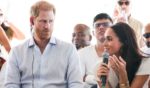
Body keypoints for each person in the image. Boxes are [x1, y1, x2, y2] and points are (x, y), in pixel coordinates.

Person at [4, 1, 83, 88]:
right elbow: (11, 85)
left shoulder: (69, 50)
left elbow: (76, 84)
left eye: (51, 21)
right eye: (43, 21)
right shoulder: (17, 52)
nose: (47, 26)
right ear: (32, 21)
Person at [97, 22, 150, 88]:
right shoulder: (101, 67)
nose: (104, 44)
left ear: (124, 42)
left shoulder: (144, 63)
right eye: (105, 39)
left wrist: (123, 76)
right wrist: (102, 83)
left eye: (109, 39)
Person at [78, 13, 113, 88]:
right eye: (97, 25)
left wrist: (88, 77)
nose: (101, 27)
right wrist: (97, 78)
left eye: (105, 24)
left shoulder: (117, 52)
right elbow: (78, 80)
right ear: (93, 32)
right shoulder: (82, 53)